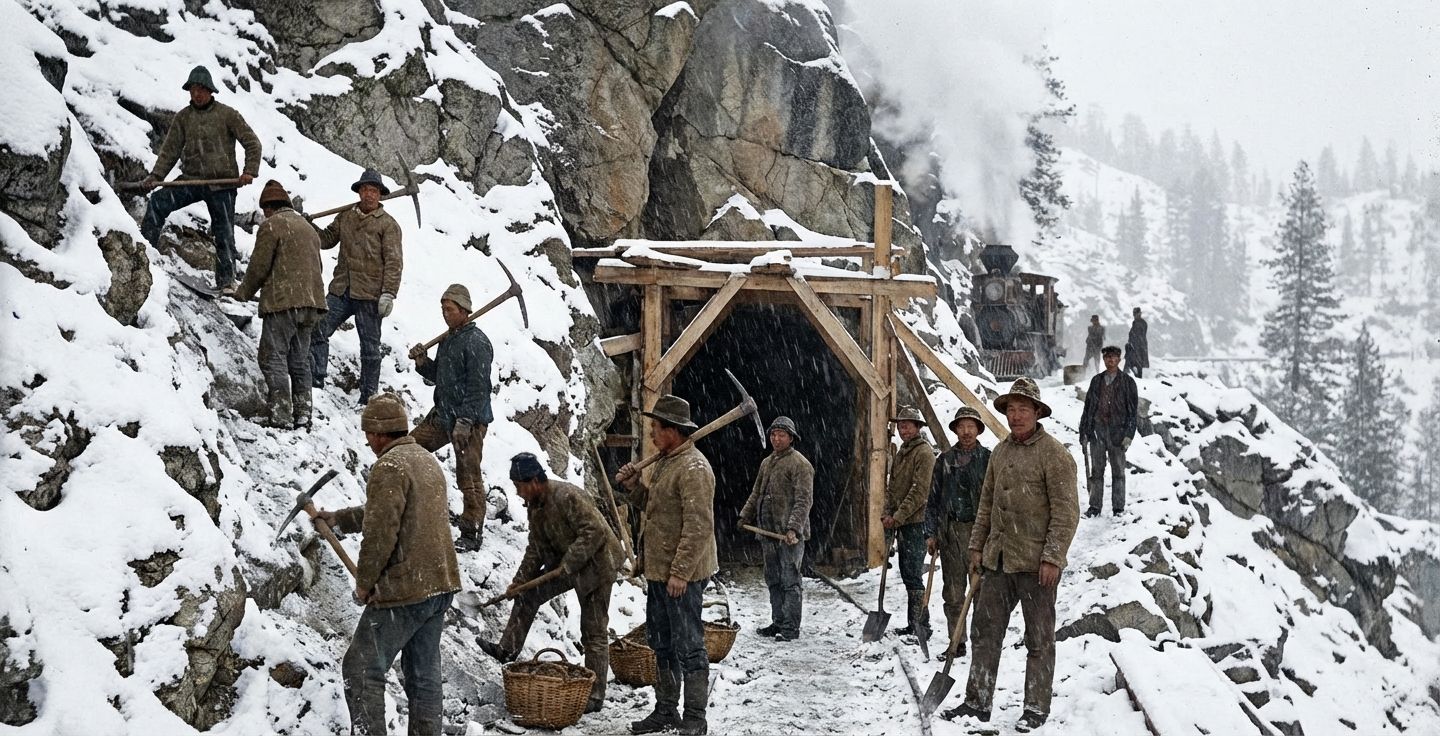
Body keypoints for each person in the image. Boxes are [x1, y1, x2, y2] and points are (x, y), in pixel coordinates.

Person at [313, 393, 461, 736]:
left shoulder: (389, 466)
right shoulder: (424, 460)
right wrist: (339, 518)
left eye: (368, 434)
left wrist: (365, 583)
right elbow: (387, 513)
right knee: (423, 675)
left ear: (380, 433)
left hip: (407, 588)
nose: (367, 441)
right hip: (439, 582)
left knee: (361, 668)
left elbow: (381, 532)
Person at [943, 377, 1078, 733]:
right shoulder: (1000, 452)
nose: (1016, 416)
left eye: (1023, 409)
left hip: (1036, 565)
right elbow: (985, 505)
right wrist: (976, 547)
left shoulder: (1054, 455)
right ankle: (977, 701)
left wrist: (1052, 557)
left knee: (1039, 639)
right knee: (984, 631)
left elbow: (1066, 512)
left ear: (1037, 412)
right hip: (998, 561)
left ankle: (1035, 707)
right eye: (1011, 409)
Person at [478, 453, 621, 713]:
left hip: (598, 564)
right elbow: (535, 548)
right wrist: (520, 581)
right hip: (567, 562)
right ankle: (507, 649)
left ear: (533, 481)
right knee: (529, 594)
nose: (518, 493)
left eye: (519, 486)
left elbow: (595, 531)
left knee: (593, 630)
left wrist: (569, 563)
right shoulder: (535, 507)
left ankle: (595, 695)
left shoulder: (567, 496)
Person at [616, 395, 718, 736]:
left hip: (681, 576)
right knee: (662, 643)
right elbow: (657, 510)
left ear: (673, 431)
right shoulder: (665, 462)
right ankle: (665, 710)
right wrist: (634, 488)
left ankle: (694, 719)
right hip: (659, 571)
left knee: (689, 645)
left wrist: (680, 573)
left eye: (656, 428)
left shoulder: (695, 468)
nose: (653, 435)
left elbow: (698, 525)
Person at [139, 65, 261, 294]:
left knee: (224, 232)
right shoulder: (183, 118)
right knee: (158, 202)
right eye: (193, 89)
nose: (197, 94)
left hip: (222, 184)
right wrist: (156, 176)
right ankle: (145, 254)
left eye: (201, 89)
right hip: (191, 180)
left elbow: (252, 143)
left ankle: (226, 282)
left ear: (210, 91)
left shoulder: (227, 114)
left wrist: (249, 171)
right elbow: (170, 151)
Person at [233, 180, 325, 429]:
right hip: (312, 303)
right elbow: (319, 266)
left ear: (268, 208)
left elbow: (259, 266)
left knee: (273, 357)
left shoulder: (271, 226)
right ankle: (304, 413)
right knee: (299, 360)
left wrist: (243, 292)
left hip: (284, 303)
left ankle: (281, 415)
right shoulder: (308, 228)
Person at [408, 284, 493, 552]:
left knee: (468, 476)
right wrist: (423, 363)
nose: (445, 314)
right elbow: (440, 379)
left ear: (465, 311)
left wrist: (466, 421)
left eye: (450, 310)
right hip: (443, 416)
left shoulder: (477, 343)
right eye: (443, 309)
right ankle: (411, 507)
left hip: (469, 422)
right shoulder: (448, 340)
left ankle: (471, 532)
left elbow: (479, 388)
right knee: (409, 449)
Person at [310, 168, 404, 405]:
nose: (369, 195)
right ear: (359, 192)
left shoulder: (388, 225)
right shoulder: (346, 217)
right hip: (342, 289)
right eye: (365, 190)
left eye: (374, 191)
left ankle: (368, 396)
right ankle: (315, 379)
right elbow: (327, 240)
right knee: (318, 327)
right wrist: (309, 227)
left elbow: (394, 262)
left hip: (370, 296)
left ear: (380, 195)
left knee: (370, 349)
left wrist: (389, 294)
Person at [738, 416, 814, 642]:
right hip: (768, 533)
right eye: (773, 434)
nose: (776, 438)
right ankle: (778, 621)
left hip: (789, 536)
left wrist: (793, 529)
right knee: (773, 578)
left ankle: (791, 627)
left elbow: (804, 500)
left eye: (781, 435)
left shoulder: (800, 465)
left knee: (790, 580)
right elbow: (756, 493)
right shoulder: (767, 463)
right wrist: (745, 514)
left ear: (791, 438)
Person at [925, 406, 990, 656]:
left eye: (971, 426)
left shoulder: (988, 459)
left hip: (979, 533)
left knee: (981, 593)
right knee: (953, 593)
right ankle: (957, 642)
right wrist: (931, 533)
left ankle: (982, 644)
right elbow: (932, 500)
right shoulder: (944, 461)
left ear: (978, 430)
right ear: (955, 429)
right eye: (962, 426)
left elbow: (996, 500)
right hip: (950, 533)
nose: (966, 432)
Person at [883, 407, 937, 640]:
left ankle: (920, 624)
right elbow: (893, 487)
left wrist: (899, 516)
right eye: (901, 425)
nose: (903, 429)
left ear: (917, 428)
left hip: (916, 523)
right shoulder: (902, 452)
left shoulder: (923, 454)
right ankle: (913, 623)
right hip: (901, 522)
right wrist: (887, 512)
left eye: (908, 425)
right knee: (907, 572)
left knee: (913, 573)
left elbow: (920, 492)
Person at [1079, 346, 1139, 518]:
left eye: (1113, 357)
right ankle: (1095, 507)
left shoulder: (1128, 382)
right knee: (1097, 472)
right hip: (1097, 431)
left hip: (1117, 434)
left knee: (1118, 472)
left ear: (1119, 360)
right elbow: (1088, 408)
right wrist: (1084, 431)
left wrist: (1128, 435)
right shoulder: (1096, 381)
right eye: (1107, 358)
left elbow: (1132, 413)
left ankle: (1118, 508)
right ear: (1104, 360)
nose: (1110, 360)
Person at [1125, 307, 1149, 378]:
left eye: (1136, 314)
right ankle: (1135, 375)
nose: (1134, 315)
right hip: (1135, 345)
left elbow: (1139, 334)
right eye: (1134, 314)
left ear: (1139, 314)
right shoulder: (1136, 322)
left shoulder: (1141, 323)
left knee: (1137, 363)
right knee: (1132, 362)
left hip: (1139, 346)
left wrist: (1133, 343)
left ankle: (1138, 377)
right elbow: (1133, 334)